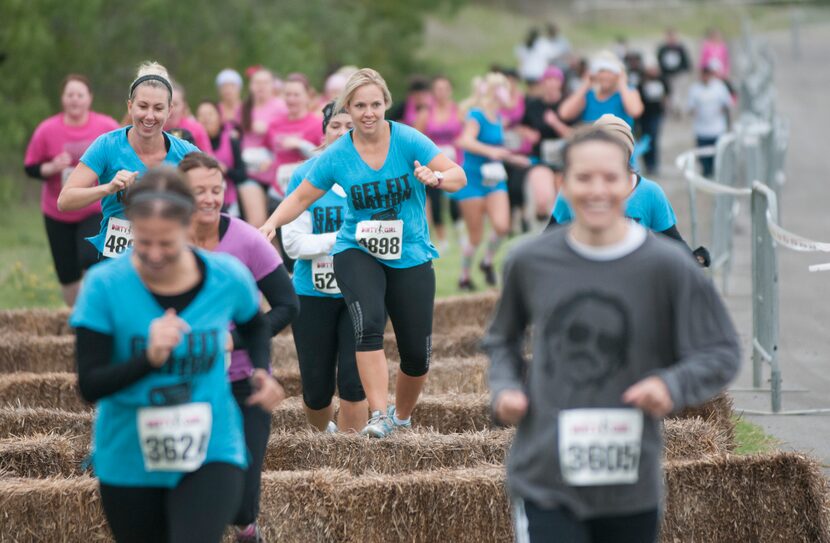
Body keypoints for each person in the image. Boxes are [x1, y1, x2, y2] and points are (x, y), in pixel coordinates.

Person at [484, 126, 741, 543]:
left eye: (610, 178)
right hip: (545, 473)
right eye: (584, 179)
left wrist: (671, 384)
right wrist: (505, 387)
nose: (597, 191)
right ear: (563, 184)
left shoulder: (667, 265)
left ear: (630, 183)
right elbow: (501, 340)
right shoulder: (530, 261)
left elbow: (721, 349)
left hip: (630, 478)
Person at [70, 167, 285, 543]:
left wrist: (262, 371)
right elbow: (90, 385)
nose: (154, 254)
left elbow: (254, 326)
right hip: (128, 453)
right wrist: (148, 358)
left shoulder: (227, 276)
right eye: (144, 242)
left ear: (187, 227)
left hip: (211, 446)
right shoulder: (104, 287)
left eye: (166, 243)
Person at [259, 68, 466, 438]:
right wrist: (271, 223)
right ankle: (379, 414)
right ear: (348, 109)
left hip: (411, 252)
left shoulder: (408, 140)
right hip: (357, 249)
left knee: (417, 356)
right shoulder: (338, 154)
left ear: (385, 104)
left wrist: (437, 179)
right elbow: (302, 196)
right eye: (359, 106)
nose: (368, 112)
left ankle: (400, 417)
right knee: (368, 325)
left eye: (375, 104)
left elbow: (457, 176)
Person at [178, 152, 297, 542]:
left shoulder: (245, 240)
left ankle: (247, 528)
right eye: (199, 192)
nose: (210, 199)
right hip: (186, 383)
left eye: (217, 190)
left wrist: (235, 338)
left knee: (242, 500)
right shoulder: (165, 242)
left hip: (243, 379)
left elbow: (287, 303)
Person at [281, 102, 369, 434]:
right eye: (336, 125)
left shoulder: (375, 173)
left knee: (352, 379)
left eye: (351, 125)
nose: (343, 132)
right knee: (316, 390)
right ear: (324, 131)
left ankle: (351, 457)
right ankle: (322, 439)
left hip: (361, 290)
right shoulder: (305, 175)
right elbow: (292, 243)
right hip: (312, 292)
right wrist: (343, 239)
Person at [57, 61, 199, 259]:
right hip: (117, 260)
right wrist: (108, 188)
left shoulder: (188, 153)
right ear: (130, 106)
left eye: (158, 108)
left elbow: (208, 200)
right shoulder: (107, 145)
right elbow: (65, 200)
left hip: (168, 257)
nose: (149, 116)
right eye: (143, 106)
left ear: (170, 110)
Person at [547, 114, 710, 266]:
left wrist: (694, 259)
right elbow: (548, 240)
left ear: (628, 154)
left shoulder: (650, 192)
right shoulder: (574, 191)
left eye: (615, 151)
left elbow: (672, 242)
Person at [23, 74, 119, 305]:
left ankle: (96, 309)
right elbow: (31, 167)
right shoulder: (46, 130)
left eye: (80, 95)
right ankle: (76, 319)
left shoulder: (106, 126)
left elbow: (123, 152)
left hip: (95, 207)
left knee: (92, 258)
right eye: (70, 95)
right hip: (58, 210)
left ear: (89, 99)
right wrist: (52, 167)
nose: (75, 100)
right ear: (63, 99)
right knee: (67, 274)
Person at [452, 72, 529, 291]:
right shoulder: (476, 115)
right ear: (497, 91)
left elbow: (497, 150)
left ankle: (487, 262)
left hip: (494, 179)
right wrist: (491, 150)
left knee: (502, 226)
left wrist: (514, 158)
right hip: (473, 180)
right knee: (475, 236)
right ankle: (464, 276)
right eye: (506, 88)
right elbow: (464, 141)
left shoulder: (499, 119)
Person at [517, 66, 573, 225]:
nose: (550, 84)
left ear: (560, 83)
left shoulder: (569, 104)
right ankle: (543, 221)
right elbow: (521, 125)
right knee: (543, 200)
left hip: (566, 160)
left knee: (563, 200)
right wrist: (527, 133)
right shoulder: (534, 105)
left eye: (554, 80)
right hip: (541, 158)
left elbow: (577, 135)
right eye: (547, 80)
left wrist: (556, 124)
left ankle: (561, 231)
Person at [415, 75, 463, 250]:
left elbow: (465, 133)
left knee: (456, 197)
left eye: (445, 88)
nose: (441, 92)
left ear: (450, 91)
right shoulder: (426, 113)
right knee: (435, 199)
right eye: (438, 89)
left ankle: (460, 233)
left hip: (455, 159)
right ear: (433, 92)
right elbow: (415, 138)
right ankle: (441, 239)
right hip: (433, 161)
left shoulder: (458, 110)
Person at [239, 68, 287, 227]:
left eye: (265, 83)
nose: (261, 87)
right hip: (250, 173)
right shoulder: (244, 108)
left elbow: (286, 135)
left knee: (275, 225)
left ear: (273, 85)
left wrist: (267, 129)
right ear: (250, 86)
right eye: (257, 83)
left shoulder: (281, 107)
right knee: (257, 223)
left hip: (275, 173)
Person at [265, 73, 323, 197]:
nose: (291, 99)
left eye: (296, 95)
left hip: (305, 193)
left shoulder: (318, 124)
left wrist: (301, 145)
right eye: (288, 94)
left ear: (308, 96)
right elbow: (268, 152)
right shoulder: (274, 124)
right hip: (277, 192)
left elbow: (324, 158)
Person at [558, 50, 644, 128]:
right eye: (601, 71)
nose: (605, 76)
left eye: (610, 72)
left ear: (618, 74)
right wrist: (586, 84)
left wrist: (622, 82)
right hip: (592, 142)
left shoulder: (628, 92)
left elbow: (635, 111)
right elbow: (565, 114)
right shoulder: (588, 95)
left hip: (619, 142)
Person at [195, 100, 246, 216]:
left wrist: (225, 170)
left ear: (219, 117)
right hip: (199, 204)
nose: (205, 119)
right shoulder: (190, 144)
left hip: (229, 203)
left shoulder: (231, 140)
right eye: (201, 115)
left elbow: (242, 175)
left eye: (210, 114)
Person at [687, 62, 732, 178]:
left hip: (717, 128)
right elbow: (690, 107)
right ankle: (706, 173)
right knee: (703, 155)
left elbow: (728, 103)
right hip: (701, 128)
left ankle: (715, 173)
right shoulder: (695, 89)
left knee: (716, 154)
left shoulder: (719, 87)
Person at [636, 59, 669, 175]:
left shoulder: (662, 80)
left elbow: (666, 95)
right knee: (645, 139)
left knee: (654, 139)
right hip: (645, 115)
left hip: (656, 114)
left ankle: (654, 164)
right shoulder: (641, 83)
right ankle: (647, 164)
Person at [166, 82, 212, 153]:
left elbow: (208, 158)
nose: (172, 109)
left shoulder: (197, 129)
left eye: (176, 104)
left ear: (184, 106)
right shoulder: (155, 128)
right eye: (168, 104)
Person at [656, 28, 691, 115]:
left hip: (679, 75)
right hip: (667, 75)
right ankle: (671, 110)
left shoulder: (680, 49)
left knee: (678, 93)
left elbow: (686, 62)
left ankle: (679, 109)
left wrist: (684, 72)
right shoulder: (663, 49)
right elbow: (660, 61)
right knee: (669, 93)